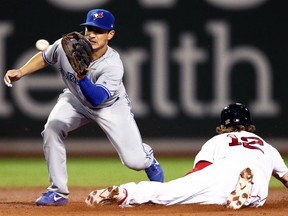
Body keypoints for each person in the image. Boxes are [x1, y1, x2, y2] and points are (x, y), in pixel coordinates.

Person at [3, 9, 164, 206]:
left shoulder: (113, 65)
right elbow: (45, 57)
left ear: (110, 35)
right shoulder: (67, 46)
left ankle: (148, 158)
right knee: (52, 128)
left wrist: (81, 77)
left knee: (135, 162)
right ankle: (57, 192)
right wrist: (21, 71)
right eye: (90, 29)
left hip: (110, 106)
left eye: (99, 31)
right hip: (76, 100)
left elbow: (97, 99)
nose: (92, 35)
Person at [85, 103, 288, 210]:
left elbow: (199, 171)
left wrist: (187, 184)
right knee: (257, 196)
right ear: (249, 125)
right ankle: (249, 195)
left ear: (223, 125)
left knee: (170, 193)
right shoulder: (267, 147)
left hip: (220, 172)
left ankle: (126, 193)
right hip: (253, 175)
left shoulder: (217, 141)